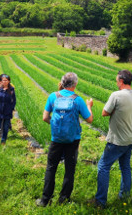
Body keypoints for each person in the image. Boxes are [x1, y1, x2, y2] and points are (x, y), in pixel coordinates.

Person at [36, 72, 93, 207]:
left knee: (51, 167)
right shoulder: (78, 100)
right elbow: (89, 119)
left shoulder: (53, 96)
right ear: (75, 84)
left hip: (56, 138)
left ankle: (45, 199)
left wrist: (57, 125)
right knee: (69, 169)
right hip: (72, 140)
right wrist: (89, 106)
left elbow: (45, 117)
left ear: (61, 83)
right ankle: (63, 199)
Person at [91, 70, 132, 208]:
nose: (116, 82)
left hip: (117, 139)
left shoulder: (116, 95)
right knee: (125, 167)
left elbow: (104, 112)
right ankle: (124, 196)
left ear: (122, 81)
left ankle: (100, 201)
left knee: (103, 166)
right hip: (130, 138)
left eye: (117, 80)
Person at [0, 74, 16, 147]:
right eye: (3, 80)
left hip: (7, 112)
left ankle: (3, 141)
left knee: (5, 128)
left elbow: (14, 101)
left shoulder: (11, 90)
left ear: (9, 81)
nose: (4, 82)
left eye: (6, 80)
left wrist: (11, 108)